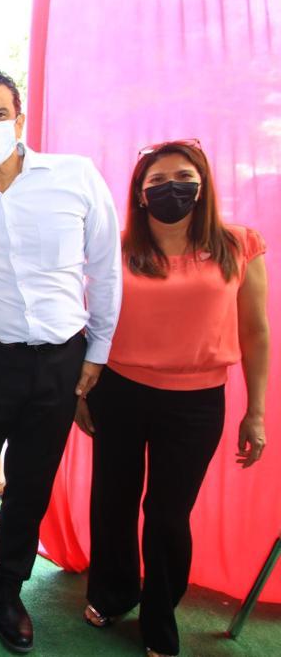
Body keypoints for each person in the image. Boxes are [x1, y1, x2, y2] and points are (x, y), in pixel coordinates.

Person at [0, 68, 122, 653]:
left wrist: (99, 351)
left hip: (62, 361)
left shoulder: (75, 176)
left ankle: (7, 589)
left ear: (19, 118)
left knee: (32, 483)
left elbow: (105, 268)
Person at [75, 139, 269, 657]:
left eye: (183, 178)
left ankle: (160, 614)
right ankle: (112, 593)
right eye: (156, 181)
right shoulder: (115, 248)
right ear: (140, 193)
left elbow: (256, 332)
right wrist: (81, 393)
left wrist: (256, 412)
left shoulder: (238, 244)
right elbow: (87, 322)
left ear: (202, 186)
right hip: (119, 392)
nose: (171, 189)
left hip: (196, 403)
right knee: (113, 501)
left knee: (167, 514)